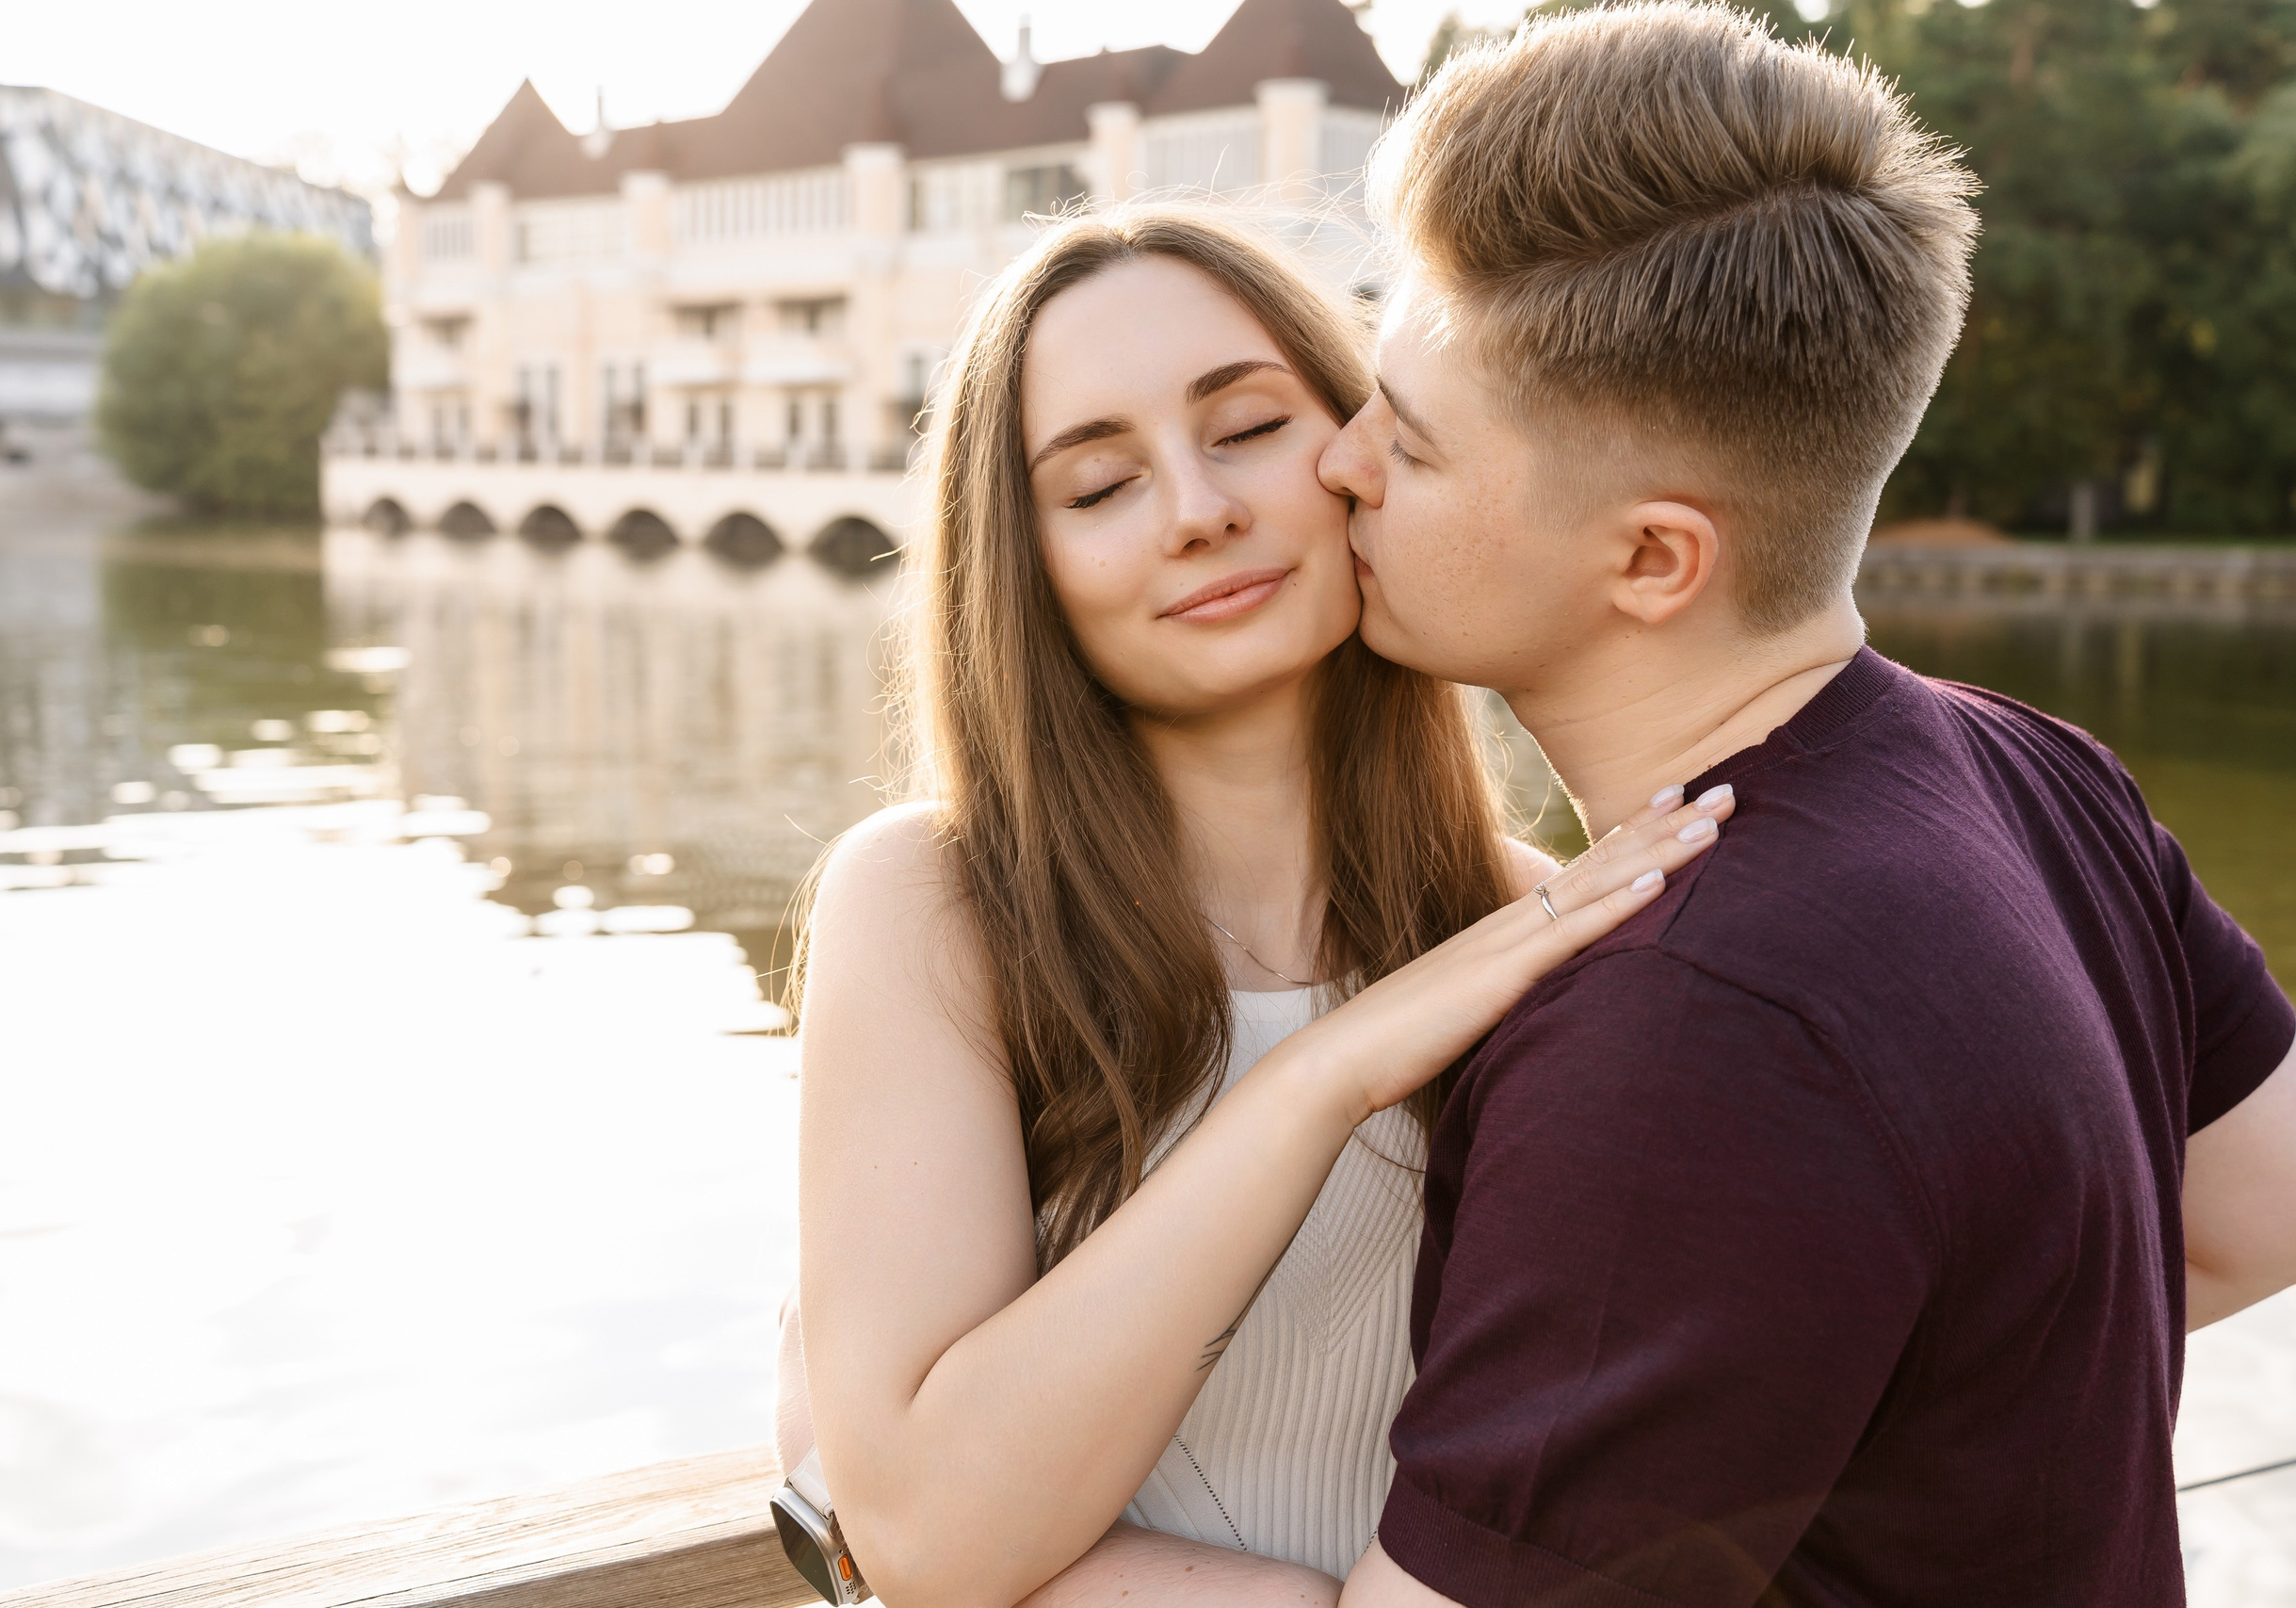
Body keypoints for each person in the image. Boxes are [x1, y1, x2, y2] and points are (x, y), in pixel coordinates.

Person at [1304, 7, 2296, 1604]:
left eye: (1408, 447)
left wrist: (974, 1554)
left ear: (1651, 559)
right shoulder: (2040, 769)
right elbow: (2261, 1212)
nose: (1338, 465)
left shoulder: (1689, 1023)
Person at [785, 208, 1737, 1608]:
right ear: (1023, 570)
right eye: (1100, 484)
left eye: (1244, 428)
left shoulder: (1532, 925)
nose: (1197, 510)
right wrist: (1323, 1079)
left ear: (1363, 449)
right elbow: (924, 1541)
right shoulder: (935, 907)